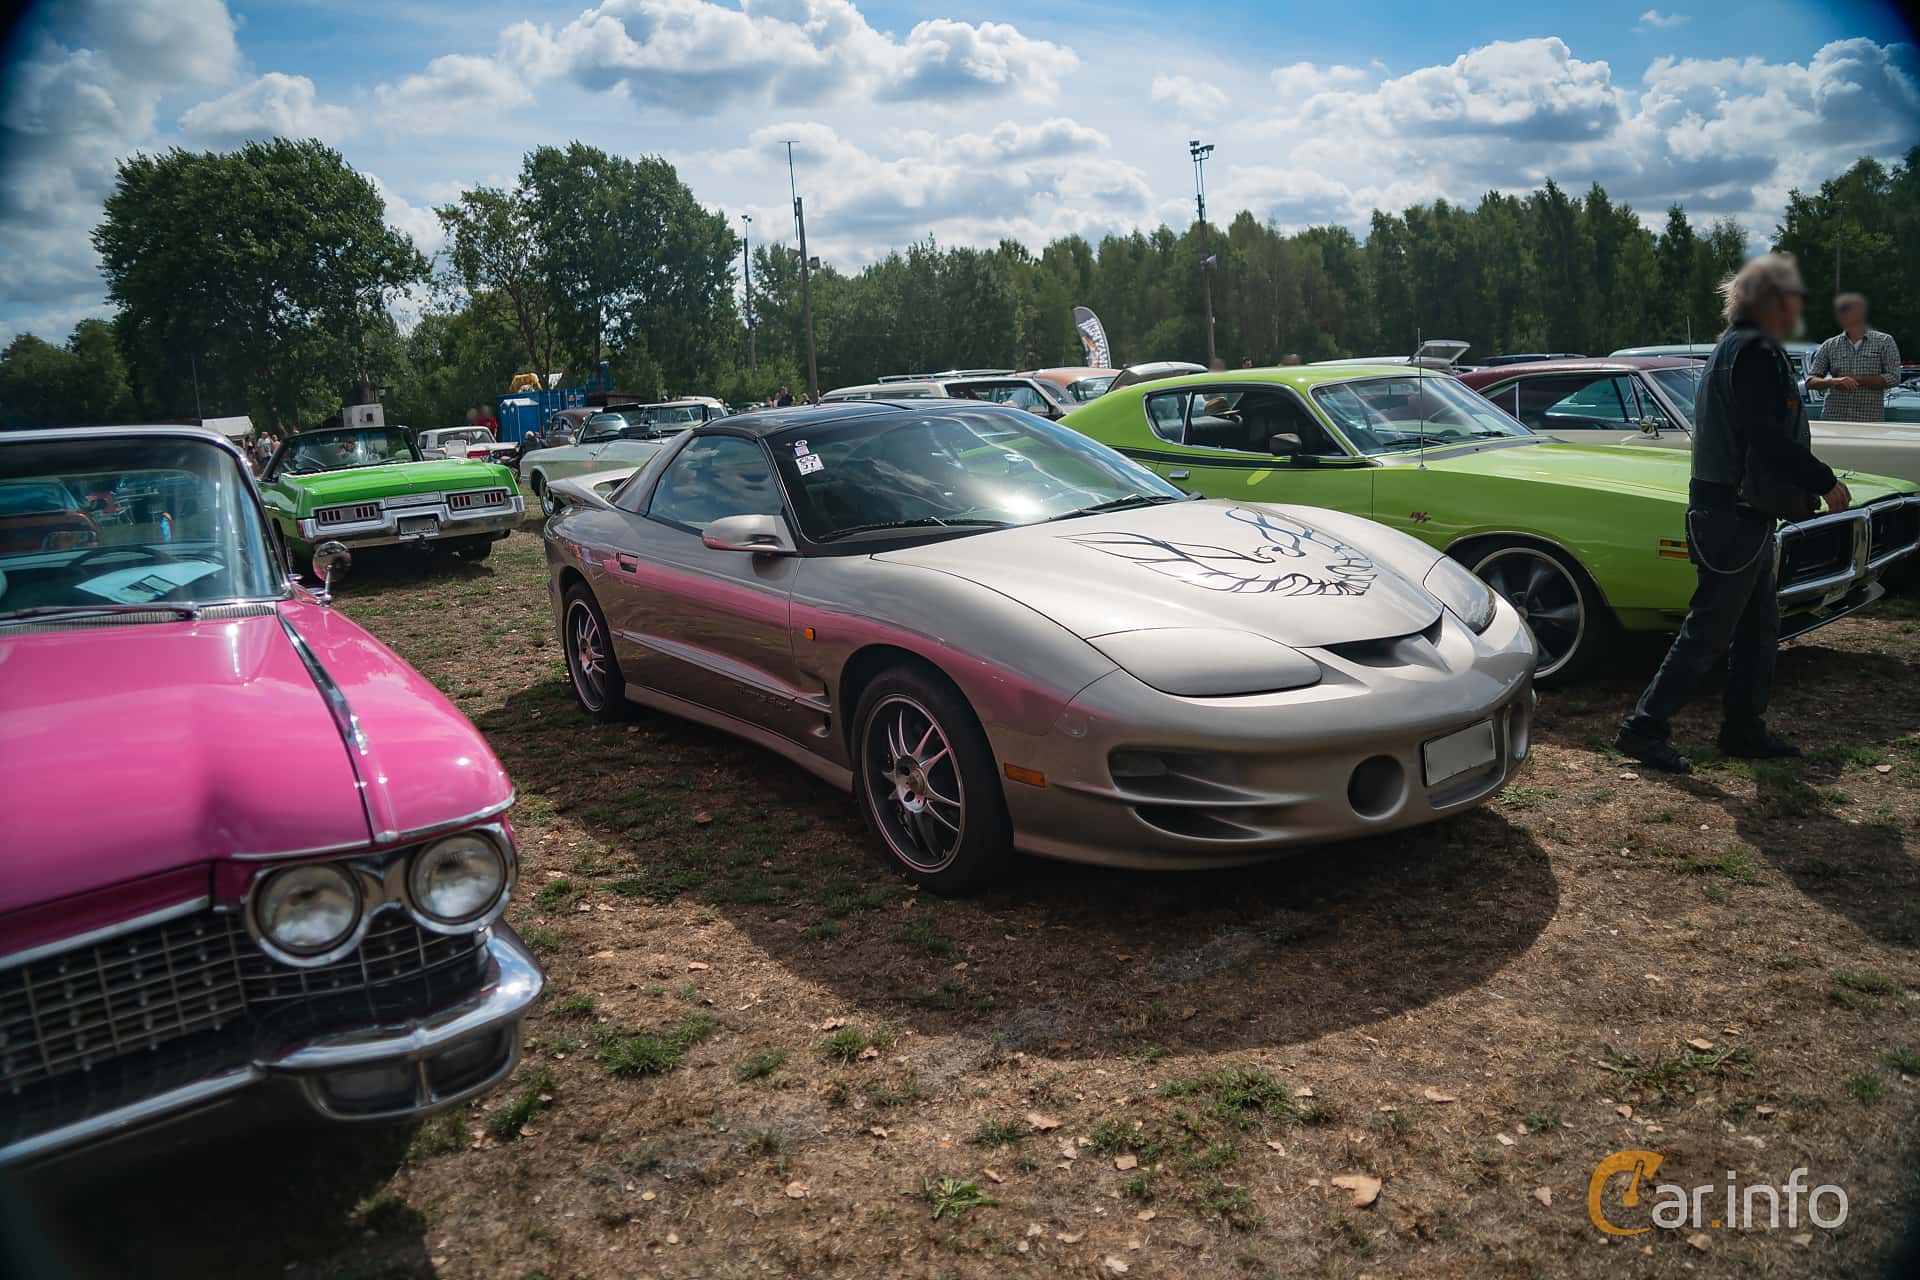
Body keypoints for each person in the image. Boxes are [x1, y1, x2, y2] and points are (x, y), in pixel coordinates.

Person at [1614, 254, 1850, 773]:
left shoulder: (1738, 348)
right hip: (1733, 515)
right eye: (1792, 297)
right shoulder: (1754, 352)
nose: (1799, 307)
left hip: (1739, 513)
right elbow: (1765, 437)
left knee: (1757, 627)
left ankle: (1743, 729)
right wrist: (1824, 480)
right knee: (1710, 630)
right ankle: (1644, 727)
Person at [1807, 293, 1901, 422]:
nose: (1843, 314)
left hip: (1869, 420)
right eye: (1841, 310)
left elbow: (1894, 377)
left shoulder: (1884, 341)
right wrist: (1833, 381)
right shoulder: (1830, 344)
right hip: (1833, 419)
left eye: (1848, 309)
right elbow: (1810, 381)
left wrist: (1857, 380)